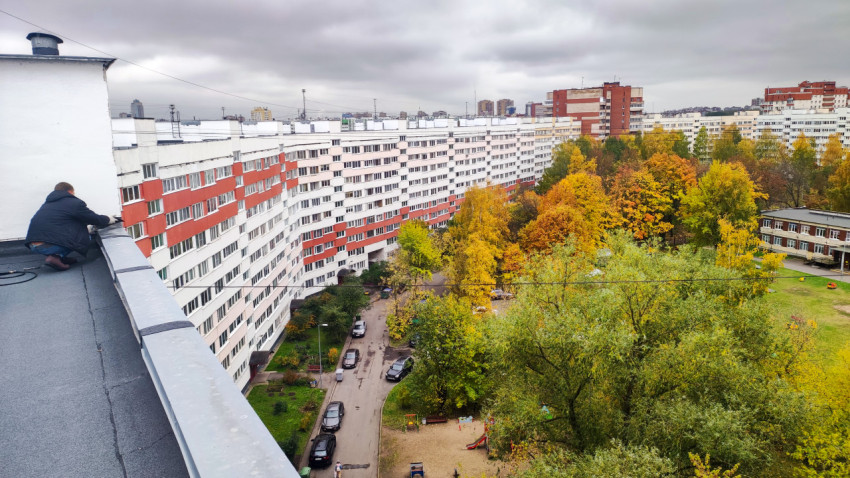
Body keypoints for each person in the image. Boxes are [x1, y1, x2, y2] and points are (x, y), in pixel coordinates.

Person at [25, 182, 119, 271]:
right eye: (73, 193)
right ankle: (56, 257)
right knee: (85, 235)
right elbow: (93, 218)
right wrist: (108, 219)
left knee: (72, 231)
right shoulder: (74, 203)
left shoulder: (47, 204)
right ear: (70, 191)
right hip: (48, 245)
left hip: (32, 245)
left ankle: (61, 258)